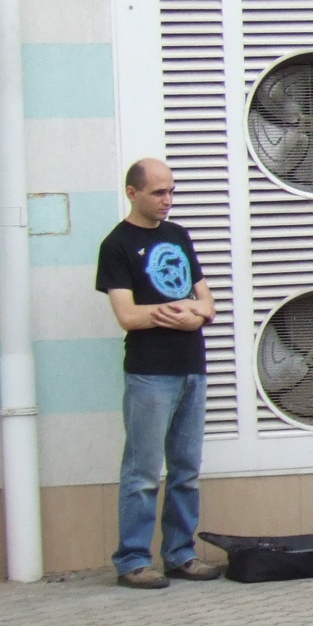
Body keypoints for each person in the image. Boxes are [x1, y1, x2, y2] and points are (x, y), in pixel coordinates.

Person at [95, 158, 222, 588]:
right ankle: (133, 560)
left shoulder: (178, 235)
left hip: (192, 369)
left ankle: (181, 554)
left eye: (171, 192)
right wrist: (183, 312)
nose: (167, 200)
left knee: (186, 469)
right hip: (150, 374)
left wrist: (194, 314)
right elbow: (127, 315)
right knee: (144, 472)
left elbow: (208, 304)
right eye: (158, 193)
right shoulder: (117, 245)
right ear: (132, 193)